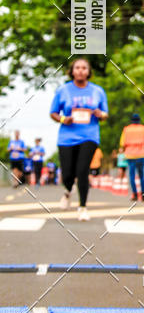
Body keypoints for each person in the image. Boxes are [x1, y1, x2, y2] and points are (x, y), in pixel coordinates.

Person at [49, 58, 109, 221]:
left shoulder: (97, 91)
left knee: (82, 171)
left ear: (89, 72)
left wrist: (100, 114)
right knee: (68, 173)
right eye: (77, 67)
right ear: (72, 71)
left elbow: (105, 114)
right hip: (67, 137)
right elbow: (53, 112)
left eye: (84, 68)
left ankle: (82, 207)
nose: (81, 70)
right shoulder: (63, 90)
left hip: (89, 135)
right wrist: (63, 119)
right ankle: (67, 191)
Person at [119, 113, 144, 201]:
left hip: (130, 155)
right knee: (141, 175)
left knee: (132, 175)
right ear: (139, 120)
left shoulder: (126, 129)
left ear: (131, 121)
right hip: (141, 154)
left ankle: (135, 195)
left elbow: (122, 143)